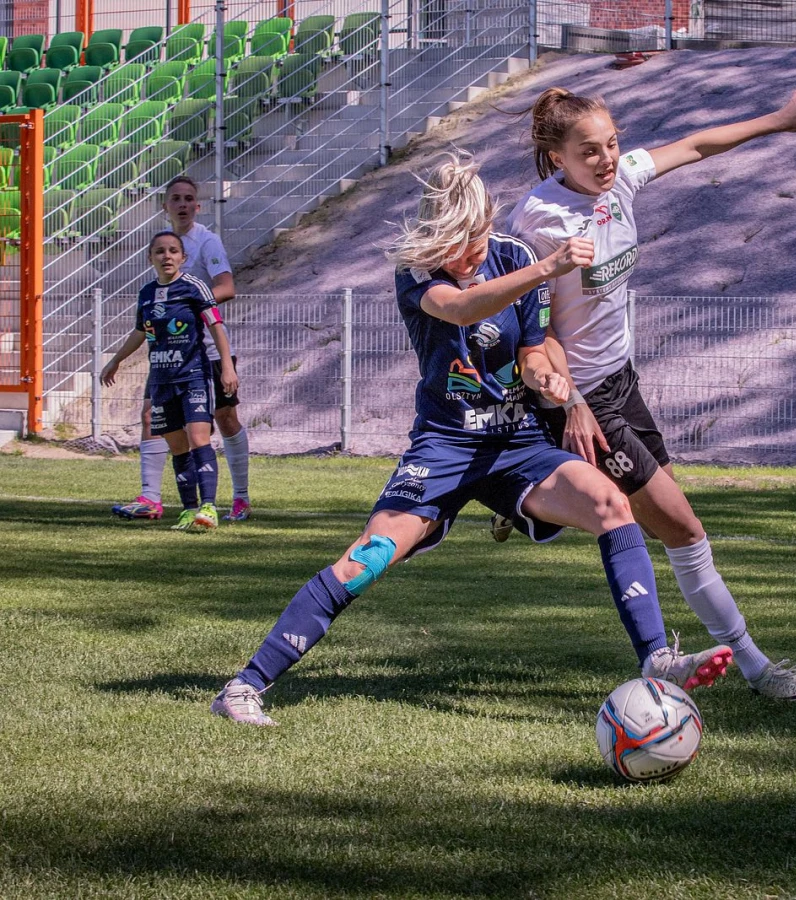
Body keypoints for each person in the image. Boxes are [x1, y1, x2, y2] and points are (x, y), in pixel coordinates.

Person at [210, 153, 732, 726]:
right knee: (370, 556)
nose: (473, 252)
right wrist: (548, 267)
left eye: (479, 236)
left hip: (518, 444)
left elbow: (533, 349)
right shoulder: (417, 272)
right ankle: (244, 687)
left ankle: (657, 659)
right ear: (436, 238)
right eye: (459, 244)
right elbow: (460, 310)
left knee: (612, 503)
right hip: (446, 445)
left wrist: (546, 378)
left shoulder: (515, 256)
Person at [503, 87, 796, 701]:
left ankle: (531, 504)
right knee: (684, 529)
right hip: (584, 400)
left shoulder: (621, 180)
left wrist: (779, 121)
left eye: (611, 144)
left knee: (663, 527)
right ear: (556, 155)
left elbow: (696, 145)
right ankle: (759, 670)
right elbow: (532, 331)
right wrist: (570, 402)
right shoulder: (539, 220)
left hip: (623, 382)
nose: (606, 159)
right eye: (588, 151)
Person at [113, 176, 252, 523]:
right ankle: (150, 498)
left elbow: (227, 287)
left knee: (224, 419)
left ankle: (240, 497)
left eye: (189, 198)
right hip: (168, 355)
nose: (183, 204)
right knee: (151, 415)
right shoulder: (164, 245)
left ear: (197, 206)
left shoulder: (207, 241)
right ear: (166, 206)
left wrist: (186, 304)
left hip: (206, 350)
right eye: (176, 198)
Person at [100, 231, 239, 532]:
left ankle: (209, 507)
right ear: (150, 258)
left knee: (198, 438)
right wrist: (116, 360)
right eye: (160, 251)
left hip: (194, 375)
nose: (167, 256)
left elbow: (216, 325)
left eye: (173, 251)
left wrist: (227, 367)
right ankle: (188, 510)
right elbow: (141, 332)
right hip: (162, 380)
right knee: (177, 446)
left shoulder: (194, 287)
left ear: (183, 257)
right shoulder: (147, 293)